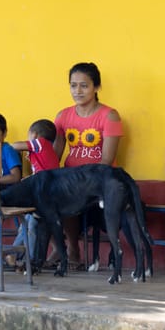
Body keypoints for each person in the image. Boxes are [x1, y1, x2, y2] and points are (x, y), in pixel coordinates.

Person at [53, 62, 122, 271]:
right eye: (73, 86)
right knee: (45, 196)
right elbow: (54, 155)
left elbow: (107, 159)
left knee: (70, 195)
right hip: (69, 177)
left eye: (84, 85)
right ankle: (60, 248)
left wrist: (81, 180)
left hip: (99, 178)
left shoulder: (110, 115)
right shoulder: (62, 116)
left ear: (96, 87)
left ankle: (71, 250)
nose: (77, 91)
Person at [6, 119, 59, 269]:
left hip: (44, 193)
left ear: (34, 134)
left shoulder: (40, 143)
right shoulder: (46, 149)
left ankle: (31, 260)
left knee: (31, 226)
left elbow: (15, 146)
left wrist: (6, 148)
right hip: (43, 191)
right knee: (27, 224)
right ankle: (12, 255)